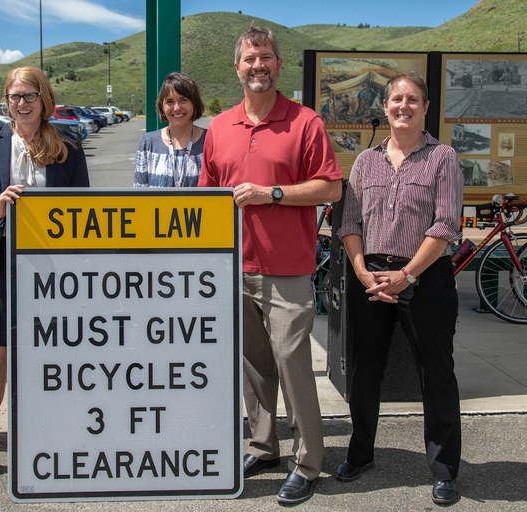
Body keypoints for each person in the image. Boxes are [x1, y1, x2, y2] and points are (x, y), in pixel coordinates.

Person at [198, 24, 343, 505]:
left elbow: (329, 187)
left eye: (265, 58)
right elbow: (206, 198)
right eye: (249, 58)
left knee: (292, 363)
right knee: (255, 366)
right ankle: (264, 446)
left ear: (279, 65)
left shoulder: (305, 123)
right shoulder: (219, 127)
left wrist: (273, 194)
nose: (257, 65)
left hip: (288, 270)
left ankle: (308, 462)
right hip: (235, 268)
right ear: (237, 67)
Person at [0, 66, 90, 488]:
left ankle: (53, 437)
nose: (22, 103)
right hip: (0, 262)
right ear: (6, 101)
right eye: (15, 96)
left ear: (44, 99)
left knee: (55, 354)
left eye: (30, 95)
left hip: (54, 268)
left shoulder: (68, 145)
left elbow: (85, 209)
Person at [335, 71, 464, 505]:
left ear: (425, 107)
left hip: (425, 279)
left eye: (412, 99)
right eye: (396, 99)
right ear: (385, 107)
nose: (403, 106)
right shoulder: (365, 162)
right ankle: (360, 453)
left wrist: (408, 274)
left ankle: (444, 468)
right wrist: (360, 270)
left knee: (436, 372)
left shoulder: (442, 157)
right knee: (364, 369)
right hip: (370, 277)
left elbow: (446, 224)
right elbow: (349, 223)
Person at [134, 72, 206, 187]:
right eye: (170, 102)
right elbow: (139, 192)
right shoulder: (148, 142)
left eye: (183, 100)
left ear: (194, 103)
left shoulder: (210, 142)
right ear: (162, 106)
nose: (177, 108)